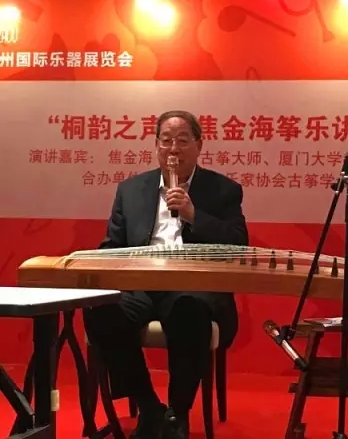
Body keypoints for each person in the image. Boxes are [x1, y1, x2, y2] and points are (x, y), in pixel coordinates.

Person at [83, 110, 249, 439]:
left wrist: (193, 214)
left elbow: (238, 244)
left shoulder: (223, 190)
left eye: (183, 141)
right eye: (167, 141)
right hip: (141, 284)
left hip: (192, 285)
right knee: (102, 313)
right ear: (156, 145)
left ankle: (178, 413)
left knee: (189, 311)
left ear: (199, 145)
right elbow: (112, 245)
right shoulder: (131, 189)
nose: (174, 149)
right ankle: (149, 406)